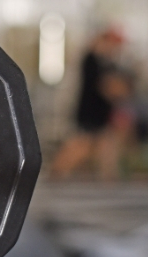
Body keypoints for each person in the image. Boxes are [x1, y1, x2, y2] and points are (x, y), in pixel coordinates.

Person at [50, 28, 126, 180]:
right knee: (81, 145)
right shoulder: (92, 60)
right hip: (90, 113)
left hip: (100, 113)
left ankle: (109, 179)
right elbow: (107, 87)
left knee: (106, 146)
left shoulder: (105, 61)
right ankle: (57, 172)